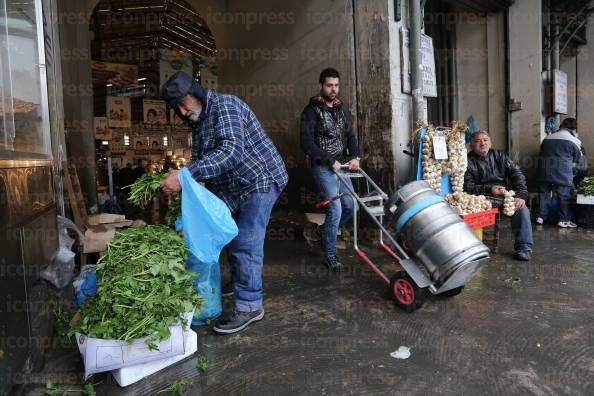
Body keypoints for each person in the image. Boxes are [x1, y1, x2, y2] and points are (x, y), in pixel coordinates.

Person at [160, 71, 288, 334]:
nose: (183, 112)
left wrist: (184, 176)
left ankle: (250, 304)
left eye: (184, 103)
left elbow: (231, 151)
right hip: (233, 188)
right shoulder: (199, 126)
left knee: (246, 242)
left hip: (260, 178)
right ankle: (241, 281)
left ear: (196, 93)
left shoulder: (225, 106)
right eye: (178, 108)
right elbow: (201, 166)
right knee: (224, 231)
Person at [300, 67, 361, 271]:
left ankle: (323, 232)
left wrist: (356, 156)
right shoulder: (311, 111)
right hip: (323, 167)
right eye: (329, 85)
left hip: (342, 166)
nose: (333, 89)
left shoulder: (339, 110)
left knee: (351, 206)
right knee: (335, 207)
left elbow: (350, 135)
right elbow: (306, 143)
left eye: (336, 85)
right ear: (321, 86)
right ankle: (330, 253)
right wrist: (328, 159)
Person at [463, 130, 533, 261]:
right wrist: (490, 189)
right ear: (471, 145)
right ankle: (473, 250)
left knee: (522, 209)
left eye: (485, 140)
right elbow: (467, 187)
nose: (482, 143)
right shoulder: (467, 161)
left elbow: (518, 175)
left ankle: (524, 248)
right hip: (481, 198)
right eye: (477, 141)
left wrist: (521, 195)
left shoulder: (500, 156)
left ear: (490, 142)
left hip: (502, 196)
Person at [536, 117, 583, 228]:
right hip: (562, 174)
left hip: (544, 171)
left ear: (561, 126)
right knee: (564, 196)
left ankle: (541, 217)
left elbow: (542, 152)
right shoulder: (574, 141)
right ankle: (564, 220)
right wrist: (574, 172)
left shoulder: (547, 138)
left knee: (543, 194)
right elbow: (579, 159)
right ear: (573, 128)